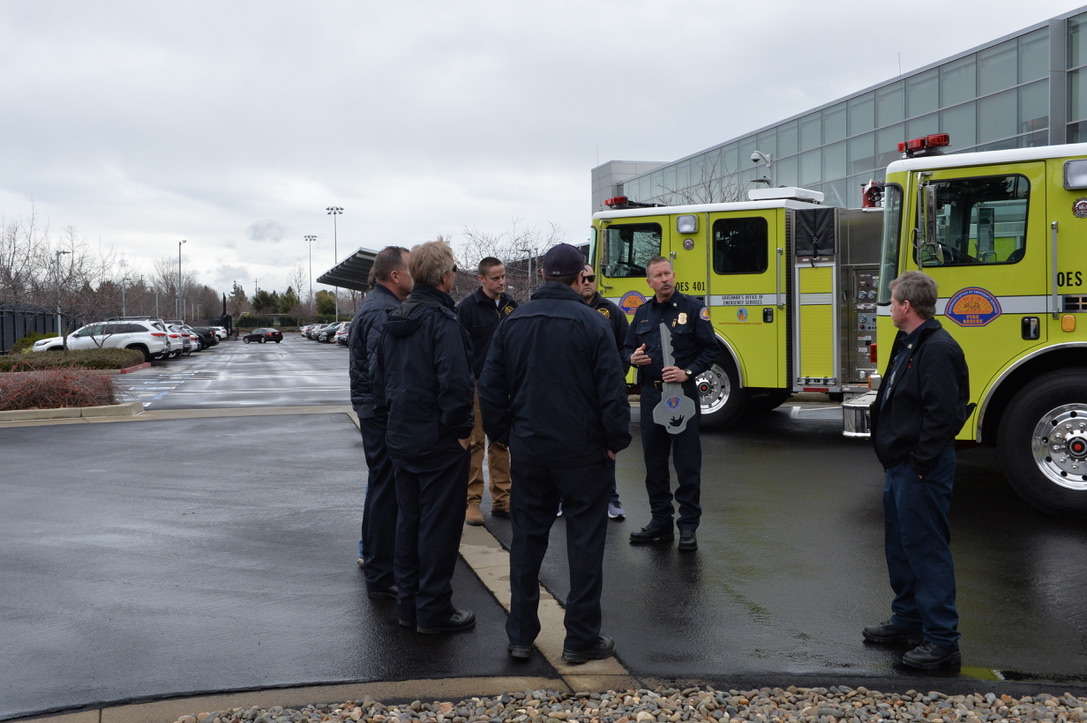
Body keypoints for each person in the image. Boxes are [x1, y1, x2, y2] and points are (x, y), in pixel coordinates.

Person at [479, 243, 631, 664]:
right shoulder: (593, 322)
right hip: (583, 451)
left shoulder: (513, 322)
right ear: (579, 277)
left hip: (531, 448)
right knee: (585, 544)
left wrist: (506, 435)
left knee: (527, 541)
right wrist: (615, 441)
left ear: (543, 276)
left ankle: (520, 635)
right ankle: (580, 638)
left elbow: (490, 387)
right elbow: (612, 390)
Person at [864, 270, 970, 670]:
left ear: (906, 306)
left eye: (893, 302)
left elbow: (944, 415)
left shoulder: (938, 348)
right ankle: (908, 619)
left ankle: (942, 641)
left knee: (926, 550)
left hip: (920, 467)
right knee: (901, 547)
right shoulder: (910, 341)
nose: (890, 308)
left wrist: (921, 463)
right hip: (900, 466)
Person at [372, 240, 476, 635]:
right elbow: (455, 383)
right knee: (438, 528)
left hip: (402, 438)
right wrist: (461, 433)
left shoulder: (394, 319)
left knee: (409, 523)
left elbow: (378, 382)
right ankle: (433, 610)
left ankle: (409, 606)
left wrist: (393, 424)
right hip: (438, 443)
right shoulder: (442, 321)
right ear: (445, 276)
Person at [620, 256, 717, 552]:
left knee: (687, 463)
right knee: (654, 462)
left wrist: (688, 371)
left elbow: (710, 349)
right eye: (658, 276)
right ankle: (661, 522)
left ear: (673, 276)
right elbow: (626, 347)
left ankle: (688, 526)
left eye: (668, 274)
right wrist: (632, 357)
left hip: (682, 394)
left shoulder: (693, 309)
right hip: (652, 396)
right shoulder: (643, 312)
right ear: (649, 282)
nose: (664, 279)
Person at [347, 246, 412, 599]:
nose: (415, 276)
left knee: (380, 487)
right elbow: (382, 373)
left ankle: (377, 564)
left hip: (373, 409)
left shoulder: (377, 305)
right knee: (385, 491)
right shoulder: (383, 311)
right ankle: (381, 573)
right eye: (410, 269)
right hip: (380, 413)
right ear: (395, 275)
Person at [456, 257, 518, 525]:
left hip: (505, 385)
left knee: (501, 442)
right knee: (475, 443)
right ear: (481, 279)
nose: (502, 282)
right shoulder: (467, 308)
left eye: (503, 276)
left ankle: (503, 499)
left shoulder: (512, 306)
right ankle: (472, 502)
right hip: (477, 384)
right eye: (495, 278)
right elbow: (460, 349)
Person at [579, 263, 630, 521]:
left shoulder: (612, 312)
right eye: (583, 278)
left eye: (591, 278)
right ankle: (564, 499)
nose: (587, 282)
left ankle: (611, 499)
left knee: (607, 445)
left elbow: (626, 347)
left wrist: (616, 376)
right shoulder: (569, 309)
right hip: (575, 391)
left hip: (603, 391)